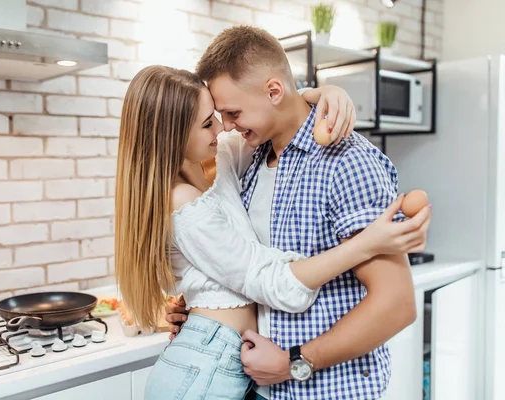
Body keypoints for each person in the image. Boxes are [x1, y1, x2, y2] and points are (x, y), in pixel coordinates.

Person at [115, 65, 430, 398]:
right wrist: (365, 245)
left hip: (228, 359)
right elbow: (270, 280)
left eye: (222, 114)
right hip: (205, 363)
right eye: (208, 122)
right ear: (172, 137)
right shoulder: (182, 201)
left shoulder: (220, 157)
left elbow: (280, 110)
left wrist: (323, 94)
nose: (222, 127)